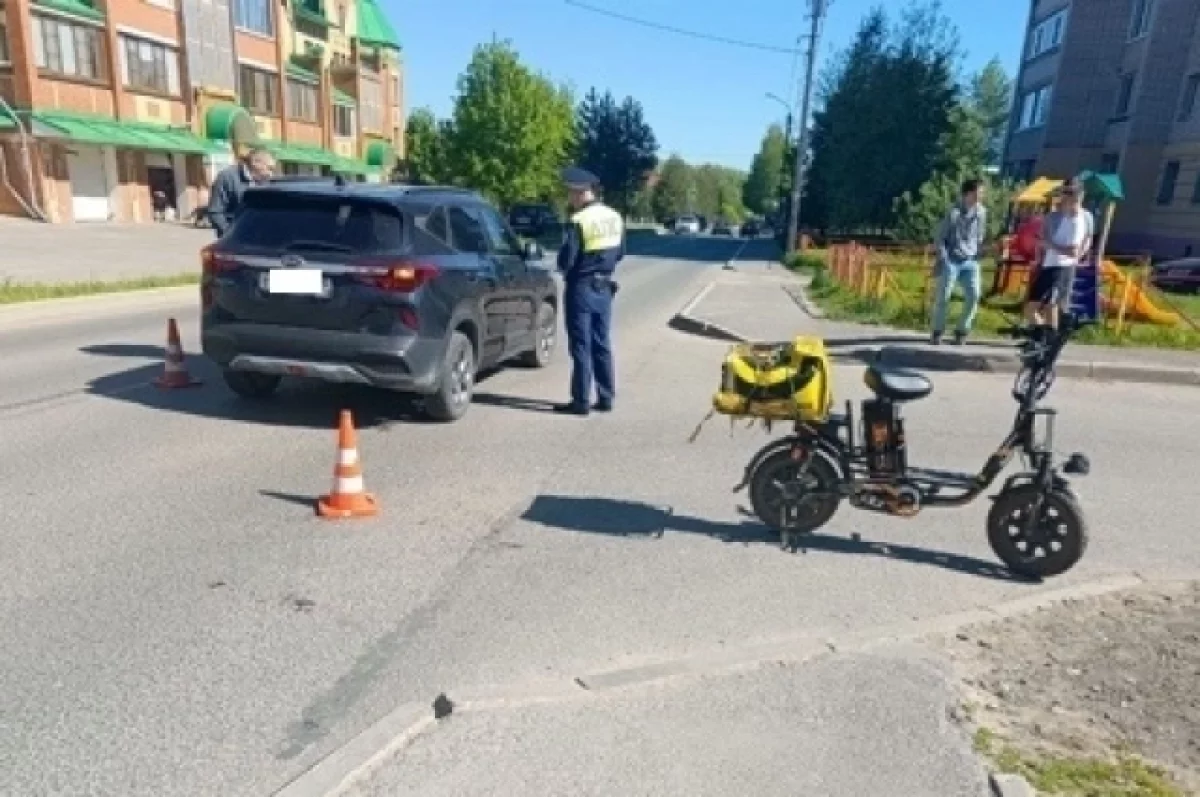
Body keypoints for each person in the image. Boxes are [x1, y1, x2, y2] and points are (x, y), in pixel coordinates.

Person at [554, 166, 625, 416]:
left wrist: (564, 269)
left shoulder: (578, 221)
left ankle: (581, 401)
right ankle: (606, 397)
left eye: (572, 194)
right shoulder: (615, 217)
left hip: (581, 288)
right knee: (601, 343)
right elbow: (620, 253)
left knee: (581, 345)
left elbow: (566, 260)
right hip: (604, 286)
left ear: (582, 192)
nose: (570, 199)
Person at [1025, 177, 1094, 330]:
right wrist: (1042, 251)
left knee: (1052, 305)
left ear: (1080, 194)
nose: (1068, 196)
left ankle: (1050, 341)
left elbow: (1085, 242)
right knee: (1032, 307)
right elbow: (1042, 238)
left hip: (1064, 266)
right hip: (1048, 264)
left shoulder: (1084, 217)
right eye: (1066, 192)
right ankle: (1042, 335)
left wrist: (1078, 255)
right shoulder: (1053, 216)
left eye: (1072, 192)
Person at [930, 178, 988, 345]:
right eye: (979, 192)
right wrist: (944, 258)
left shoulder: (982, 212)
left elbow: (980, 235)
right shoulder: (953, 212)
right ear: (968, 193)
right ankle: (938, 330)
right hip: (952, 259)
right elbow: (940, 237)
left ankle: (962, 330)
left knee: (974, 295)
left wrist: (979, 251)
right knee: (944, 296)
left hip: (970, 260)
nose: (981, 196)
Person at [207, 147, 275, 237]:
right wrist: (231, 234)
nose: (271, 174)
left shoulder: (266, 181)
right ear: (256, 163)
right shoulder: (227, 177)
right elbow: (215, 211)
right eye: (269, 168)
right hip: (235, 240)